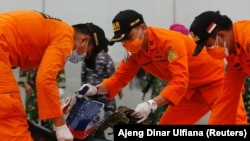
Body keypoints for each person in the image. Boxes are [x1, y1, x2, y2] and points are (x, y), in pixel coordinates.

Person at [79, 9, 246, 125]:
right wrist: (95, 89)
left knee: (233, 125)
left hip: (216, 83)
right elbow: (119, 78)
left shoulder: (169, 42)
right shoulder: (134, 51)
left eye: (128, 37)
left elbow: (179, 80)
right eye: (122, 40)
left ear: (143, 28)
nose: (126, 44)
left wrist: (151, 104)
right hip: (190, 92)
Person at [0, 9, 108, 141]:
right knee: (11, 118)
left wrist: (57, 106)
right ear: (84, 40)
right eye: (88, 54)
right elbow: (45, 79)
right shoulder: (66, 38)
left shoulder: (55, 29)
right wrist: (61, 125)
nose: (82, 58)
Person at [189, 10, 249, 124]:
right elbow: (227, 100)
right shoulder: (233, 56)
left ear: (221, 35)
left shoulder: (246, 37)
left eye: (209, 45)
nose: (209, 51)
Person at [140, 23, 189, 125]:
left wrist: (144, 90)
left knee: (158, 117)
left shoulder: (164, 50)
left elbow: (149, 75)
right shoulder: (166, 49)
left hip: (167, 94)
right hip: (169, 95)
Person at [81, 40, 123, 139]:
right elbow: (113, 76)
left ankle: (95, 132)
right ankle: (101, 127)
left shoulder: (87, 58)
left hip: (90, 90)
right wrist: (119, 90)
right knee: (110, 110)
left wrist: (83, 91)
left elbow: (83, 75)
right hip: (104, 90)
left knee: (92, 113)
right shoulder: (106, 58)